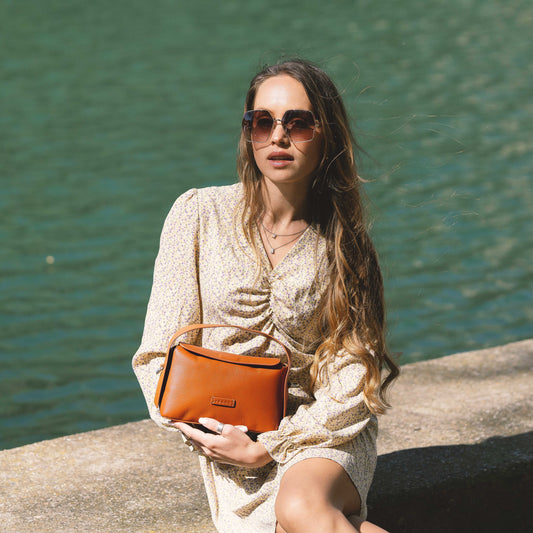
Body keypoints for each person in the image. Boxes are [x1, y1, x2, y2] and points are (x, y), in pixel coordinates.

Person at [132, 58, 399, 533]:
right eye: (263, 122)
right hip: (227, 439)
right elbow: (158, 354)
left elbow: (354, 375)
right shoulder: (198, 215)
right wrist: (208, 434)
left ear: (326, 135)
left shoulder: (345, 242)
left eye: (298, 123)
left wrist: (271, 446)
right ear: (248, 132)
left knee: (297, 509)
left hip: (322, 435)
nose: (278, 137)